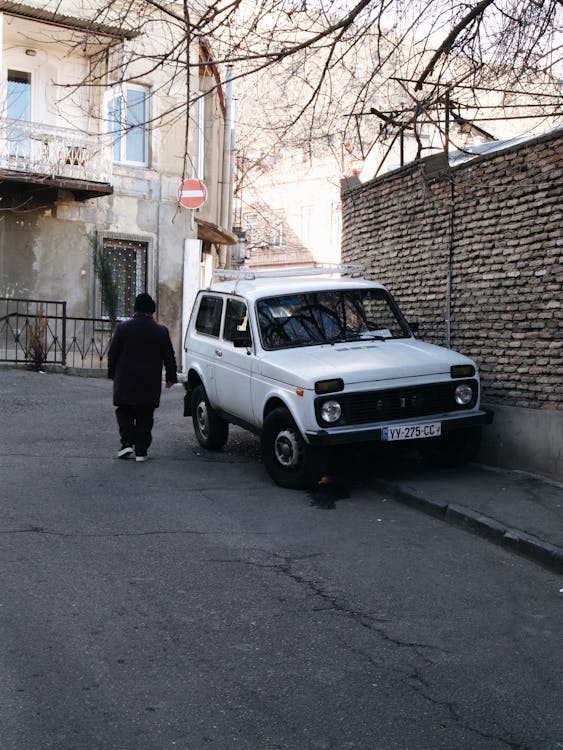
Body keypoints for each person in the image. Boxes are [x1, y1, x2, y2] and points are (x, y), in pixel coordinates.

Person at [108, 292, 177, 462]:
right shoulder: (161, 331)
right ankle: (141, 451)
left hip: (125, 379)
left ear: (135, 310)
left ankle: (126, 444)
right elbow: (169, 356)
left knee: (124, 411)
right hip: (149, 381)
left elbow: (113, 354)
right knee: (145, 415)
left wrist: (112, 373)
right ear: (152, 312)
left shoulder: (123, 328)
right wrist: (171, 377)